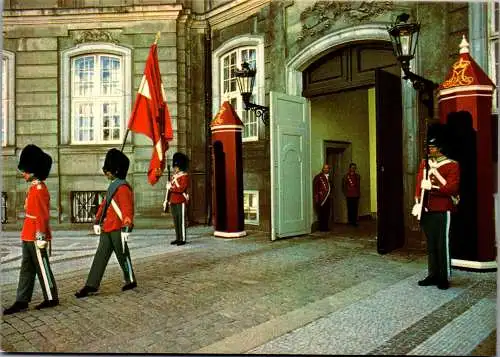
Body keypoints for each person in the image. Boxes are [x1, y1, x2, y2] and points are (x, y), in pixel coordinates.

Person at [3, 145, 59, 314]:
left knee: (42, 267)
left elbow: (42, 216)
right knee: (26, 268)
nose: (23, 173)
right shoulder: (34, 188)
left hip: (36, 235)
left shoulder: (40, 189)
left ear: (34, 171)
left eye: (26, 170)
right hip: (28, 234)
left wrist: (41, 236)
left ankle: (51, 297)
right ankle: (22, 299)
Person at [75, 148, 137, 298]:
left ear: (115, 171)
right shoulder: (114, 185)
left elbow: (127, 209)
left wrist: (127, 227)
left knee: (123, 255)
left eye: (108, 170)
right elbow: (104, 205)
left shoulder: (122, 187)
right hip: (108, 227)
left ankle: (130, 279)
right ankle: (92, 284)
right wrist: (97, 220)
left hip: (117, 228)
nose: (106, 173)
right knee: (100, 256)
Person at [412, 126, 460, 290]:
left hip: (442, 209)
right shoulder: (425, 163)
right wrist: (418, 201)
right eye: (428, 147)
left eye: (431, 147)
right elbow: (419, 182)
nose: (429, 150)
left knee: (442, 244)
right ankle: (432, 275)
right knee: (431, 244)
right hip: (427, 208)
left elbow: (452, 189)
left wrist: (433, 188)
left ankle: (443, 277)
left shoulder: (452, 165)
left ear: (440, 147)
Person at [163, 152, 189, 245]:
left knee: (181, 221)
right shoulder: (174, 176)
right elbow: (170, 188)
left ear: (180, 167)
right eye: (175, 167)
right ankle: (178, 238)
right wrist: (167, 200)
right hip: (173, 200)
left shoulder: (184, 176)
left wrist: (171, 187)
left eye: (176, 167)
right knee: (176, 220)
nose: (175, 168)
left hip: (181, 200)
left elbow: (181, 188)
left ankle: (183, 239)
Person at [313, 164, 331, 231]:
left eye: (327, 168)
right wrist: (317, 199)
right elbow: (315, 189)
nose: (326, 169)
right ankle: (321, 227)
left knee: (327, 213)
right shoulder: (318, 177)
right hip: (321, 198)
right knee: (321, 213)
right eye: (325, 168)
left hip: (328, 198)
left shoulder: (330, 177)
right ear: (322, 169)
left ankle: (326, 227)